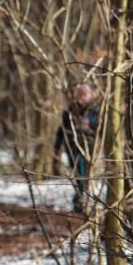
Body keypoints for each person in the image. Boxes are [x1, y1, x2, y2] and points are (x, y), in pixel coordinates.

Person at [53, 83, 99, 214]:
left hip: (89, 147)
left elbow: (98, 129)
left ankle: (84, 201)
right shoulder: (69, 111)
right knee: (79, 175)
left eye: (84, 95)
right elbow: (61, 130)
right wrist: (57, 147)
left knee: (87, 175)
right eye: (79, 94)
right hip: (72, 147)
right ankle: (79, 202)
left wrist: (87, 131)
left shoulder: (94, 111)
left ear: (89, 96)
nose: (81, 97)